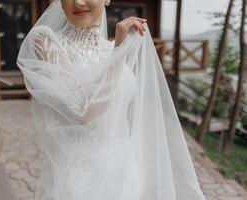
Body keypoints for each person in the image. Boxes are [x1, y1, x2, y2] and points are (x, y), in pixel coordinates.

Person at [16, 0, 206, 199]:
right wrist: (119, 53)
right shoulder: (45, 40)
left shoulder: (113, 48)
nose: (79, 2)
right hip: (78, 179)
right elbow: (86, 114)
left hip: (125, 172)